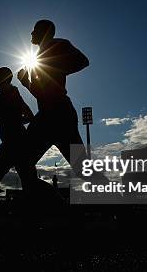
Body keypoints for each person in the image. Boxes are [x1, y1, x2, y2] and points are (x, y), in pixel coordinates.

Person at [17, 19, 92, 181]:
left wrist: (55, 66)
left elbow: (83, 61)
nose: (31, 33)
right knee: (23, 162)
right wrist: (26, 83)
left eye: (35, 29)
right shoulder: (37, 57)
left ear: (44, 32)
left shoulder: (57, 45)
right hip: (48, 114)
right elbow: (40, 93)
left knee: (83, 169)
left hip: (58, 113)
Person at [0, 67, 37, 204]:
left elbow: (29, 116)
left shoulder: (11, 92)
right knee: (30, 183)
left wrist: (6, 116)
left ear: (2, 79)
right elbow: (22, 115)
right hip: (15, 144)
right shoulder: (5, 94)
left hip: (15, 145)